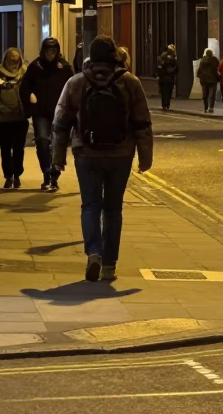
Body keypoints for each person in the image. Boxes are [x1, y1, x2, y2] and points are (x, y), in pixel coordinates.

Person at [53, 36, 153, 283]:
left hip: (86, 154)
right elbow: (142, 122)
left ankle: (94, 253)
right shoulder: (130, 82)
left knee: (90, 206)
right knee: (113, 209)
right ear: (114, 56)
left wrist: (58, 157)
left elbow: (61, 122)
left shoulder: (76, 82)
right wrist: (145, 157)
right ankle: (109, 265)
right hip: (121, 154)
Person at [21, 37, 73, 191]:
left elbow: (73, 88)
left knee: (58, 144)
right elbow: (24, 87)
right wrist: (30, 95)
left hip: (60, 112)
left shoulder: (64, 68)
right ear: (43, 52)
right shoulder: (35, 67)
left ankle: (54, 175)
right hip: (41, 112)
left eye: (53, 51)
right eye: (48, 51)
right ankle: (47, 173)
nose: (50, 54)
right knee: (43, 141)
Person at [0, 47, 29, 188]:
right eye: (11, 59)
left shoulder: (24, 72)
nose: (13, 63)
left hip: (20, 117)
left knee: (18, 148)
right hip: (3, 119)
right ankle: (8, 176)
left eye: (16, 60)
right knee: (5, 148)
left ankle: (16, 174)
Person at [197, 47, 220, 113]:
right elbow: (216, 69)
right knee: (212, 94)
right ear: (212, 54)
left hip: (204, 79)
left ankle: (205, 107)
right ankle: (211, 107)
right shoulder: (215, 60)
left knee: (205, 94)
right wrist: (218, 77)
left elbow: (199, 70)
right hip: (213, 79)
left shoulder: (202, 60)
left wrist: (199, 75)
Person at [156, 43, 178, 111]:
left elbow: (159, 68)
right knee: (169, 91)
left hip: (163, 78)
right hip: (170, 78)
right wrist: (174, 73)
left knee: (163, 92)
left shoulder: (161, 57)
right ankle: (167, 104)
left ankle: (164, 104)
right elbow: (177, 68)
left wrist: (159, 75)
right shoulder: (173, 58)